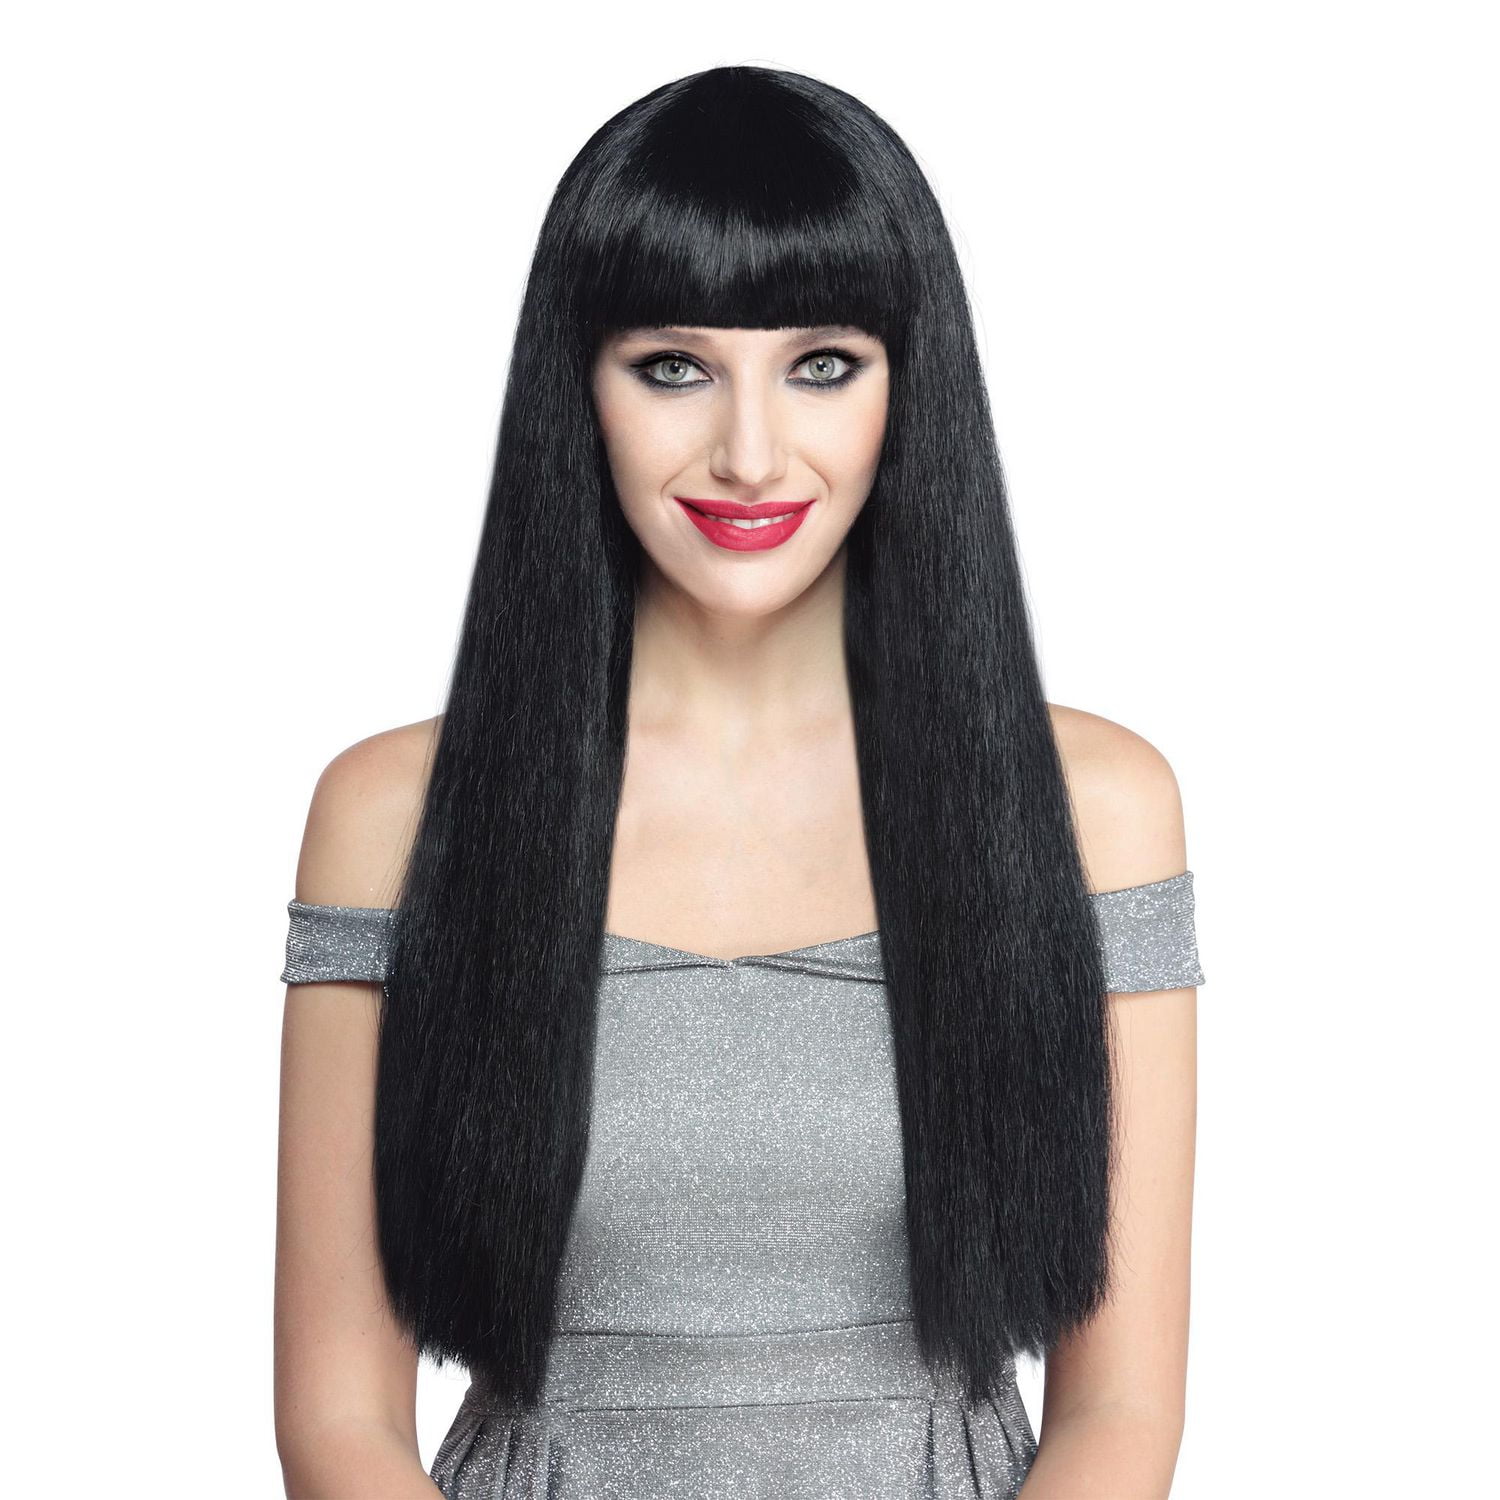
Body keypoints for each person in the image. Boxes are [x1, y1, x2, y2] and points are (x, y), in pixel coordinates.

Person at [274, 64, 1204, 1500]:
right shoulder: (392, 816)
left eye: (822, 364)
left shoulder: (1097, 808)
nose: (751, 454)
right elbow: (339, 1422)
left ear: (910, 384)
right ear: (578, 387)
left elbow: (1123, 1413)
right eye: (673, 367)